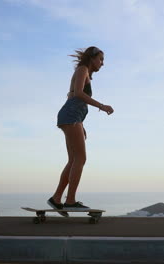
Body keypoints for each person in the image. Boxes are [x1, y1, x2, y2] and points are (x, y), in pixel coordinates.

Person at [48, 46, 114, 216]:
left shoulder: (83, 72)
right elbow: (77, 94)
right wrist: (102, 106)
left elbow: (72, 97)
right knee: (81, 158)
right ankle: (70, 201)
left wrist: (81, 125)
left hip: (72, 117)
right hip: (71, 117)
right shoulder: (82, 69)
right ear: (92, 59)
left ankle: (56, 198)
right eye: (100, 59)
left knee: (73, 160)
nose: (102, 63)